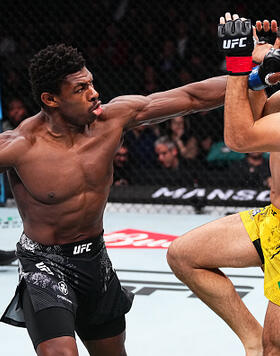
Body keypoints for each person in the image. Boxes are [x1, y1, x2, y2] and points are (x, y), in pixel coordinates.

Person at [0, 43, 229, 356]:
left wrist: (256, 77)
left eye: (91, 83)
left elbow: (192, 98)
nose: (94, 93)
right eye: (80, 89)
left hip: (95, 260)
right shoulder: (19, 146)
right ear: (50, 99)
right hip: (45, 265)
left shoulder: (112, 120)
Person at [167, 14, 280, 356]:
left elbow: (241, 137)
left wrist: (237, 62)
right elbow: (258, 119)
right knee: (184, 255)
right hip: (272, 219)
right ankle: (251, 340)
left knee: (275, 345)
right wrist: (258, 74)